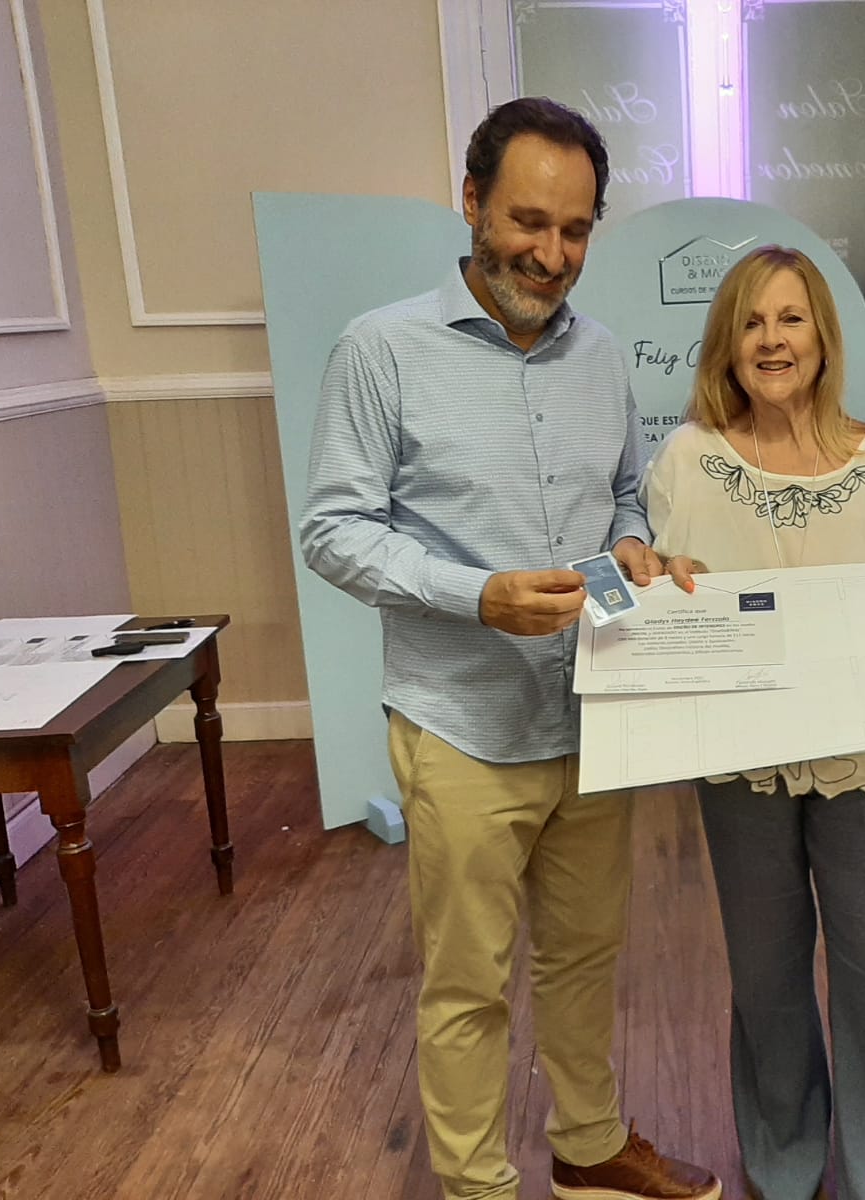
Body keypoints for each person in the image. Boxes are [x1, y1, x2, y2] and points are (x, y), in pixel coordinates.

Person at [301, 97, 719, 1200]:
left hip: (592, 716)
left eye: (575, 230)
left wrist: (630, 547)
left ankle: (589, 1146)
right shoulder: (380, 349)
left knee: (585, 958)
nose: (552, 254)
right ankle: (479, 1187)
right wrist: (475, 597)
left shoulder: (602, 356)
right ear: (472, 201)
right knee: (467, 985)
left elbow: (621, 496)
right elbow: (333, 531)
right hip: (461, 726)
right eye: (529, 222)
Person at [641, 245, 865, 1200]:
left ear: (824, 336)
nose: (771, 339)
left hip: (862, 756)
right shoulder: (688, 463)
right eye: (751, 321)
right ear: (726, 342)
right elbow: (657, 584)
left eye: (790, 318)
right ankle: (783, 1161)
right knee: (765, 967)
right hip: (740, 758)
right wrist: (656, 591)